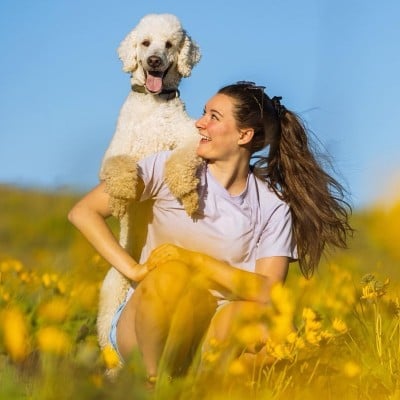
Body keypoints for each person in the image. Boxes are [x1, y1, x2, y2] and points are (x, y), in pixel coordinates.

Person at [68, 81, 353, 381]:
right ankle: (152, 384)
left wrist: (196, 261)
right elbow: (84, 212)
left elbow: (269, 290)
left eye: (214, 117)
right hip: (147, 324)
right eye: (204, 113)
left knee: (273, 325)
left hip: (214, 326)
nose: (199, 123)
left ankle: (210, 383)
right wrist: (135, 271)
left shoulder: (272, 205)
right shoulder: (170, 168)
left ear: (244, 135)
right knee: (172, 275)